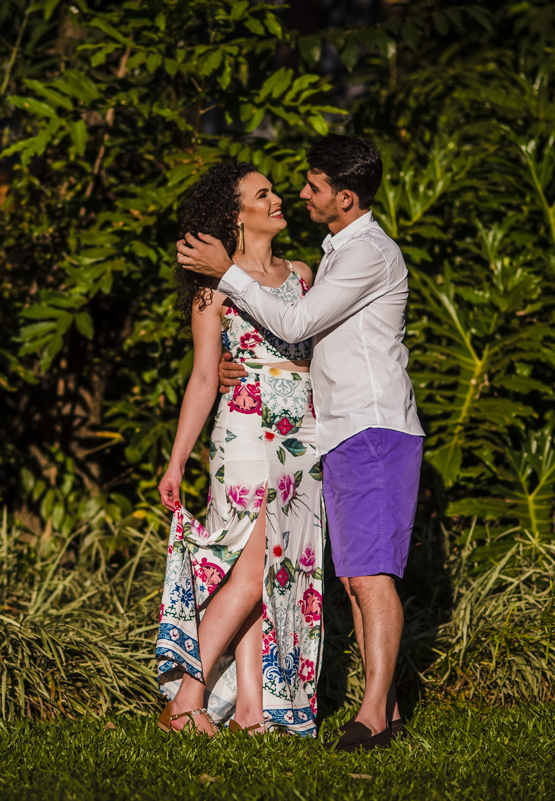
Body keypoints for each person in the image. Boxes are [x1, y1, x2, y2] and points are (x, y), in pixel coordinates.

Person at [176, 135, 424, 752]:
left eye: (309, 186)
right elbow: (219, 365)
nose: (295, 194)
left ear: (343, 196)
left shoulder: (342, 259)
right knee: (283, 569)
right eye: (271, 192)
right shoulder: (331, 254)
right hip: (285, 433)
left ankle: (360, 715)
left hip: (336, 432)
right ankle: (209, 699)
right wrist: (242, 367)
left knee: (332, 574)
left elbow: (296, 328)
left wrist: (236, 294)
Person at [154, 161, 326, 738]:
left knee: (272, 570)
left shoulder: (303, 273)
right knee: (253, 572)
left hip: (302, 438)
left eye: (274, 190)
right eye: (264, 194)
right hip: (245, 436)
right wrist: (177, 460)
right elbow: (205, 378)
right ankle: (186, 698)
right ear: (236, 214)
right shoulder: (212, 293)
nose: (279, 199)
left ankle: (252, 711)